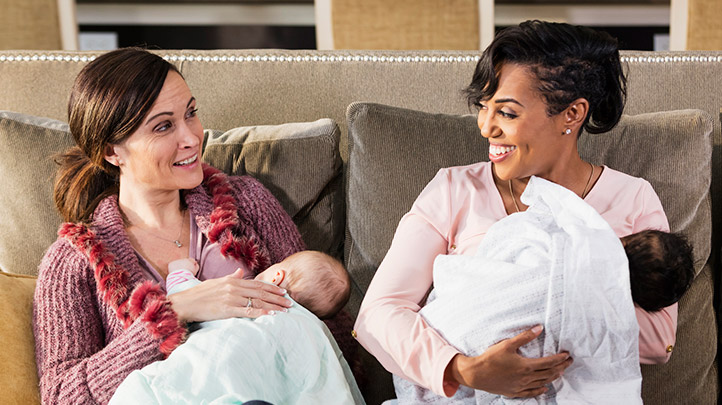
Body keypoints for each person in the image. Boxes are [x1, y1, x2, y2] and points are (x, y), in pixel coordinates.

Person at [354, 20, 677, 399]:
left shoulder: (632, 198)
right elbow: (378, 313)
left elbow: (659, 340)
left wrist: (553, 288)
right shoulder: (454, 190)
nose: (486, 126)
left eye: (506, 113)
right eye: (483, 106)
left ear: (572, 114)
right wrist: (464, 369)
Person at [31, 47, 342, 404]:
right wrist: (174, 312)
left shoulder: (248, 202)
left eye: (190, 113)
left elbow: (327, 326)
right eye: (164, 126)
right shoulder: (73, 262)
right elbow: (60, 396)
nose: (193, 138)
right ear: (111, 151)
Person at [392, 176, 694, 403]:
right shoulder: (567, 235)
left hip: (433, 344)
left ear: (625, 239)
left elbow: (508, 234)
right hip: (437, 356)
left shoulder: (607, 211)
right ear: (641, 305)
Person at [109, 251, 365, 404]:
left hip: (217, 373)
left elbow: (190, 294)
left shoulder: (243, 295)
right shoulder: (315, 333)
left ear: (277, 276)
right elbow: (329, 384)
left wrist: (179, 273)